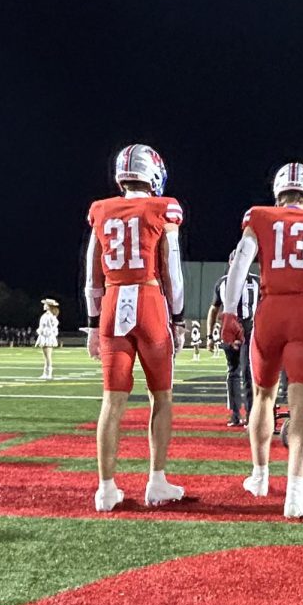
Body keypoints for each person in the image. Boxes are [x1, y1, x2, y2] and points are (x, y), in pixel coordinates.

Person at [221, 161, 303, 519]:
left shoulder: (260, 218)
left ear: (278, 193)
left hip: (270, 308)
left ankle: (260, 477)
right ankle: (295, 495)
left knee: (262, 396)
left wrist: (230, 311)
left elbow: (240, 264)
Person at [84, 142, 187, 513]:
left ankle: (106, 489)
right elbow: (171, 267)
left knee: (112, 401)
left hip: (111, 303)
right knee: (162, 396)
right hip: (149, 300)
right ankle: (156, 481)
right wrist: (177, 316)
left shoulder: (101, 210)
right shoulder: (164, 208)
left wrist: (94, 323)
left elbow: (91, 274)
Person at [206, 257, 260, 427]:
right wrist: (209, 335)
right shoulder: (222, 283)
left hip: (248, 327)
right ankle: (235, 413)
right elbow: (213, 308)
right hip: (229, 328)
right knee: (233, 371)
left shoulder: (256, 281)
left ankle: (251, 414)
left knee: (247, 371)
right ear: (230, 262)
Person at [36, 300, 60, 379]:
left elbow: (54, 325)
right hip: (44, 336)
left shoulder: (50, 316)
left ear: (48, 306)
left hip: (47, 337)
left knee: (48, 356)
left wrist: (46, 331)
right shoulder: (46, 315)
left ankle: (49, 373)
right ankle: (45, 373)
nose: (44, 306)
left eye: (45, 304)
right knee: (46, 357)